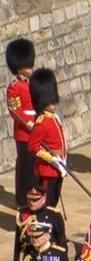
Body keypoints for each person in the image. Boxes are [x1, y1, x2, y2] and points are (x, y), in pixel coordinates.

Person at [5, 38, 38, 208]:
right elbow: (15, 112)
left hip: (37, 128)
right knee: (25, 166)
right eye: (27, 66)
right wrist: (29, 124)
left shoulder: (33, 83)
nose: (30, 68)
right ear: (18, 67)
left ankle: (35, 195)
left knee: (36, 166)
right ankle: (23, 200)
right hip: (24, 132)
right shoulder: (14, 87)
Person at [28, 68, 66, 208]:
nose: (53, 104)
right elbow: (33, 147)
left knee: (53, 200)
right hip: (47, 169)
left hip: (58, 166)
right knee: (47, 202)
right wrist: (51, 159)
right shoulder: (42, 123)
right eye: (50, 102)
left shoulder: (54, 118)